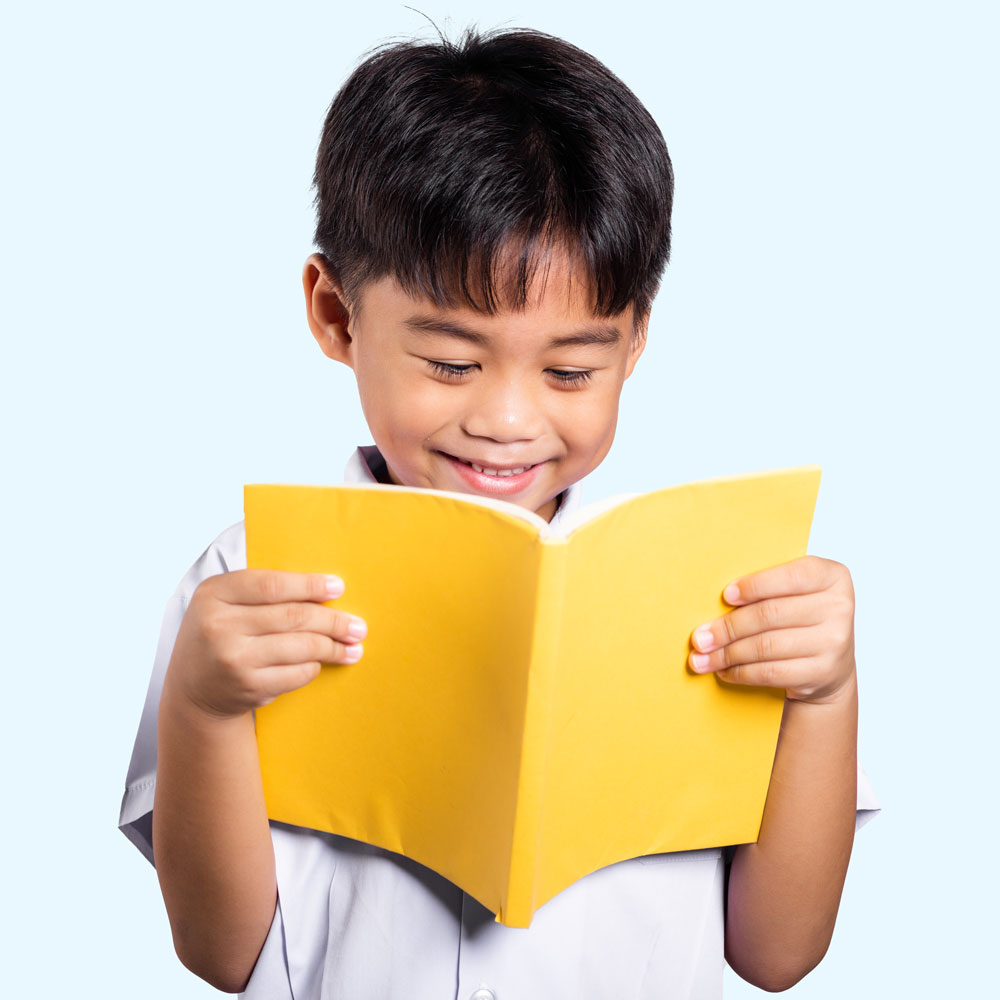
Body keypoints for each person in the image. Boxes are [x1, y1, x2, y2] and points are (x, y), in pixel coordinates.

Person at [119, 24, 878, 998]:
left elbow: (778, 954)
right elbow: (219, 952)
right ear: (336, 315)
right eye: (451, 363)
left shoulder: (721, 584)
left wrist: (824, 695)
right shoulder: (250, 581)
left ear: (634, 339)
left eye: (569, 369)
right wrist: (205, 705)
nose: (508, 420)